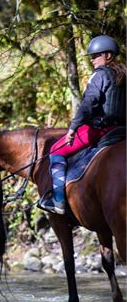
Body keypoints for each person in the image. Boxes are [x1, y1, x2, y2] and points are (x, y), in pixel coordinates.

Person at [41, 35, 126, 215]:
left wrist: (73, 127)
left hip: (101, 129)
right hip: (123, 129)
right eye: (91, 56)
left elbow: (88, 103)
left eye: (95, 55)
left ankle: (58, 200)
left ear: (108, 56)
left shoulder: (100, 75)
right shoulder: (123, 75)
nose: (92, 59)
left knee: (56, 149)